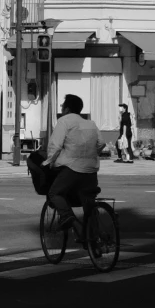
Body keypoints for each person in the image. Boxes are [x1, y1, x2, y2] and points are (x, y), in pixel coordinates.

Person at [43, 93, 103, 238]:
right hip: (91, 170)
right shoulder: (91, 123)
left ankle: (72, 222)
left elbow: (55, 146)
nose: (62, 109)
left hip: (72, 168)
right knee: (88, 202)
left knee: (54, 193)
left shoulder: (64, 121)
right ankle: (97, 240)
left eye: (63, 106)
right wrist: (90, 155)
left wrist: (49, 161)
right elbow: (101, 144)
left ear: (67, 109)